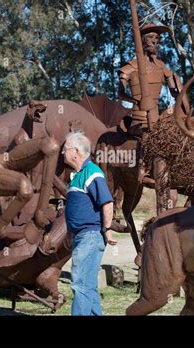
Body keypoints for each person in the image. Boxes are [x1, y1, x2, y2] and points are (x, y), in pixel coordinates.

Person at [62, 131, 117, 316]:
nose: (62, 152)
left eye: (65, 148)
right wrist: (70, 233)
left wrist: (107, 229)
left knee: (80, 284)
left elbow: (107, 202)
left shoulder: (92, 173)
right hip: (82, 236)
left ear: (75, 151)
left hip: (90, 236)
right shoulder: (78, 175)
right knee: (88, 285)